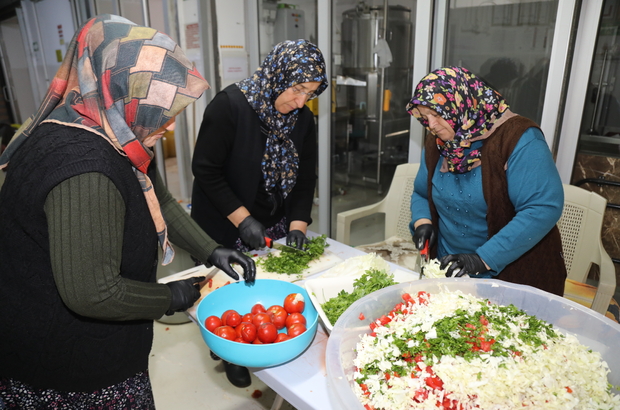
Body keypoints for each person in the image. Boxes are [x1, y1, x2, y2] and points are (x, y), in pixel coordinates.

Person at [0, 15, 255, 409]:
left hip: (89, 345)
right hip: (69, 367)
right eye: (164, 112)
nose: (169, 126)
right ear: (123, 94)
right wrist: (167, 296)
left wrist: (210, 249)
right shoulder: (85, 167)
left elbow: (160, 201)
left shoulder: (111, 129)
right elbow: (94, 294)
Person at [190, 39, 328, 387]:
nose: (300, 101)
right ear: (277, 75)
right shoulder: (230, 107)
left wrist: (297, 224)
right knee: (228, 290)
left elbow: (305, 175)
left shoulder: (302, 118)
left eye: (310, 93)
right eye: (297, 89)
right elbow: (206, 170)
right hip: (225, 218)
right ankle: (230, 349)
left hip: (272, 216)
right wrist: (243, 219)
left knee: (266, 286)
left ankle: (259, 339)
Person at [407, 66, 567, 296]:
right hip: (451, 269)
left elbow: (542, 208)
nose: (431, 125)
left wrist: (483, 259)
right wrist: (423, 222)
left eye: (438, 114)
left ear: (462, 104)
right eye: (425, 118)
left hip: (512, 273)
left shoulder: (518, 139)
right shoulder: (439, 142)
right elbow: (422, 193)